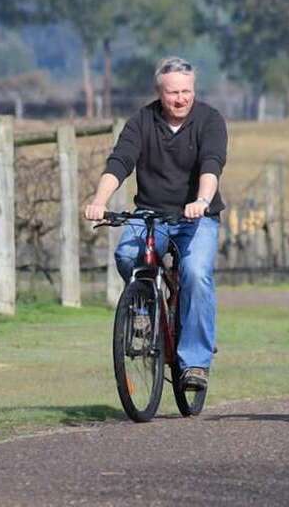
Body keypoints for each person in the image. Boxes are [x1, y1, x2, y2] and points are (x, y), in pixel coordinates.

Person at [84, 56, 228, 391]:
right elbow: (120, 162)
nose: (181, 99)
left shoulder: (210, 120)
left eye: (186, 91)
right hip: (151, 213)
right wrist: (99, 202)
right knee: (126, 256)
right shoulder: (141, 121)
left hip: (196, 217)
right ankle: (144, 309)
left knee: (196, 274)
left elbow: (212, 164)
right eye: (173, 93)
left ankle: (195, 363)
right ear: (159, 93)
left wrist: (202, 201)